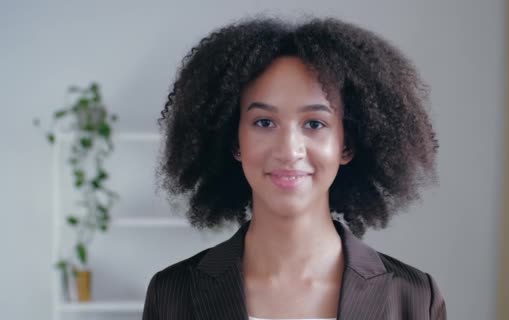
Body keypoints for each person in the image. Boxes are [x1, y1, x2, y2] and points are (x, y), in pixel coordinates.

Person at [143, 16, 445, 320]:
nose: (288, 150)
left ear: (347, 145)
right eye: (264, 122)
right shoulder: (172, 295)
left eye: (314, 123)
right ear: (234, 141)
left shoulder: (414, 298)